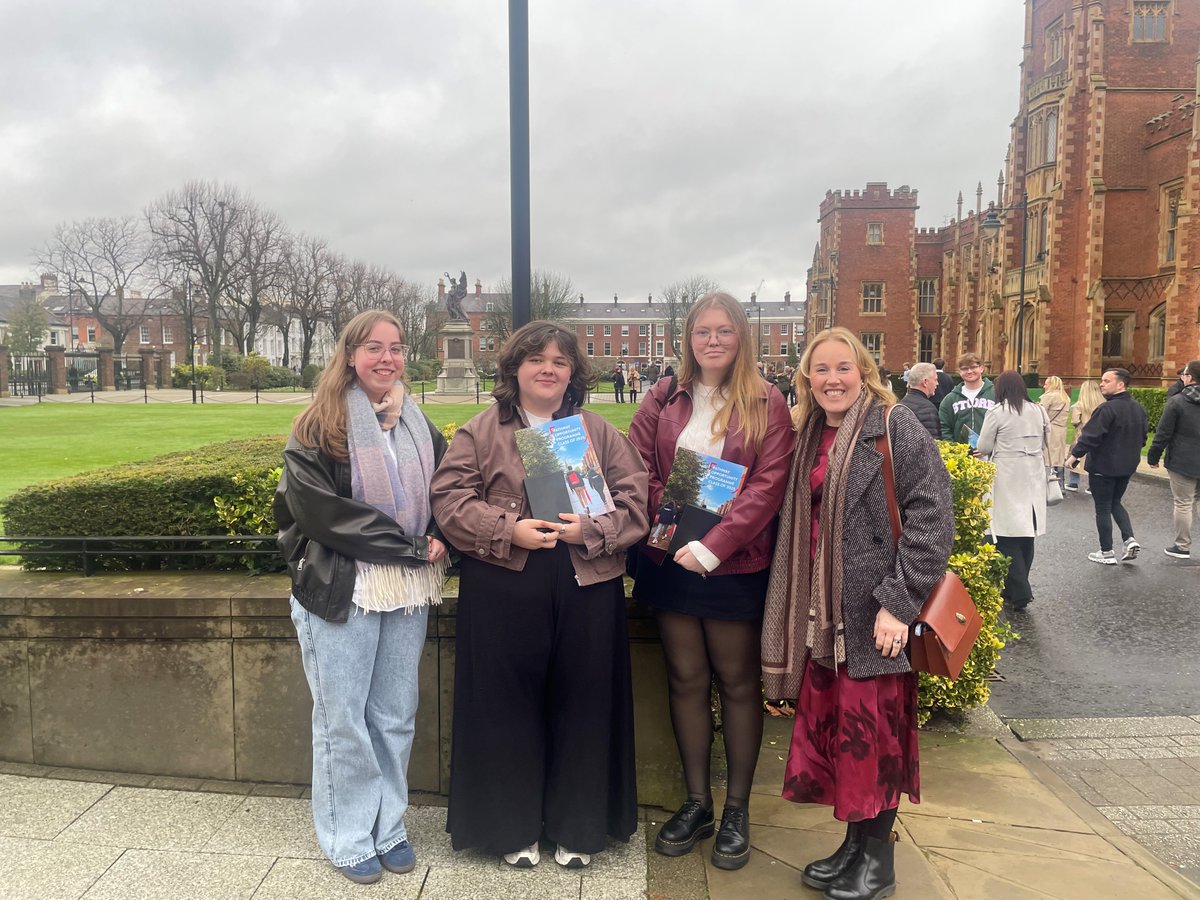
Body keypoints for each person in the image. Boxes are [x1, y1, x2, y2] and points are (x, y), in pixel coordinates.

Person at [430, 320, 648, 869]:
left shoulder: (597, 430)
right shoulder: (479, 431)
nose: (547, 369)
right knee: (506, 706)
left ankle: (578, 825)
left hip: (586, 582)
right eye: (536, 360)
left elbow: (636, 502)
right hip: (505, 581)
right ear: (514, 369)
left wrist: (591, 531)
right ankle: (512, 827)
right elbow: (450, 499)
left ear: (572, 372)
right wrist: (509, 530)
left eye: (559, 361)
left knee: (584, 702)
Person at [762, 327, 953, 900]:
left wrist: (899, 603)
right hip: (827, 617)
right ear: (807, 379)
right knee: (847, 743)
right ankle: (854, 849)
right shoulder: (811, 432)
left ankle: (879, 865)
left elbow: (932, 518)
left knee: (875, 742)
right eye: (820, 370)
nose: (832, 379)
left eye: (842, 367)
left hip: (876, 621)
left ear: (863, 371)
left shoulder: (893, 426)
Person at [274, 310, 449, 885]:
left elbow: (448, 492)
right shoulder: (316, 426)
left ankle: (388, 824)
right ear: (350, 354)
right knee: (343, 718)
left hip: (404, 590)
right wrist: (411, 545)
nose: (387, 359)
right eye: (374, 348)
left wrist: (444, 535)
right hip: (341, 588)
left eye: (397, 349)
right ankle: (347, 833)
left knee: (395, 715)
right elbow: (323, 514)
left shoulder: (418, 425)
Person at [628, 292, 794, 871]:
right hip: (670, 558)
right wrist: (673, 532)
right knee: (685, 677)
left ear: (741, 336)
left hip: (735, 564)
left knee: (737, 682)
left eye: (724, 331)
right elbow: (636, 463)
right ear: (689, 338)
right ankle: (698, 802)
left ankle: (737, 810)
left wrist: (713, 546)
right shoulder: (663, 395)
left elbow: (767, 485)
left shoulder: (766, 401)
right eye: (703, 331)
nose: (713, 341)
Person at [977, 371, 1049, 611]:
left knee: (1005, 531)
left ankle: (1019, 591)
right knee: (1027, 529)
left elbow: (984, 445)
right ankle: (1017, 585)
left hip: (1008, 472)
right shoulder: (1038, 410)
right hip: (1034, 471)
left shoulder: (997, 412)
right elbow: (1046, 440)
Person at [1066, 367, 1148, 565]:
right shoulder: (1138, 408)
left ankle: (1106, 551)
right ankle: (1129, 539)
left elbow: (1091, 436)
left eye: (1106, 381)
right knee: (1115, 502)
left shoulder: (1106, 409)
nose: (1101, 384)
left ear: (1120, 384)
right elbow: (1143, 438)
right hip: (1127, 465)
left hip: (1104, 465)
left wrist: (1074, 455)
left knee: (1102, 507)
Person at [1148, 359, 1200, 559]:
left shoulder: (1177, 401)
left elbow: (1163, 433)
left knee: (1183, 503)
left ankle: (1182, 546)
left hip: (1182, 460)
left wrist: (1153, 456)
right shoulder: (1177, 401)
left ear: (1189, 377)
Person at [938, 353, 995, 447]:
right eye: (964, 368)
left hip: (991, 455)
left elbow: (1005, 425)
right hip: (961, 456)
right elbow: (945, 428)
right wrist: (954, 449)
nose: (969, 371)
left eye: (973, 367)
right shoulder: (950, 399)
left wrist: (989, 448)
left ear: (981, 368)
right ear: (960, 372)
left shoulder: (996, 394)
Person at [1066, 380, 1104, 492]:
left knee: (1076, 456)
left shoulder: (1080, 404)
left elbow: (1075, 421)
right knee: (1094, 458)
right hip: (1098, 435)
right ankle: (1092, 486)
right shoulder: (1103, 404)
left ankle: (1073, 483)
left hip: (1082, 434)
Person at [1038, 375, 1071, 487]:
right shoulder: (1065, 397)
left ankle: (1048, 484)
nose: (1044, 386)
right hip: (1061, 430)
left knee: (1048, 457)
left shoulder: (1048, 396)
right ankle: (1060, 483)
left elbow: (1040, 414)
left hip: (1049, 430)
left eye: (1046, 383)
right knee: (1059, 457)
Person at [899, 362, 940, 439]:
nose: (937, 383)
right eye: (935, 380)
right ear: (925, 382)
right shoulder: (927, 408)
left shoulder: (901, 404)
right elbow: (932, 444)